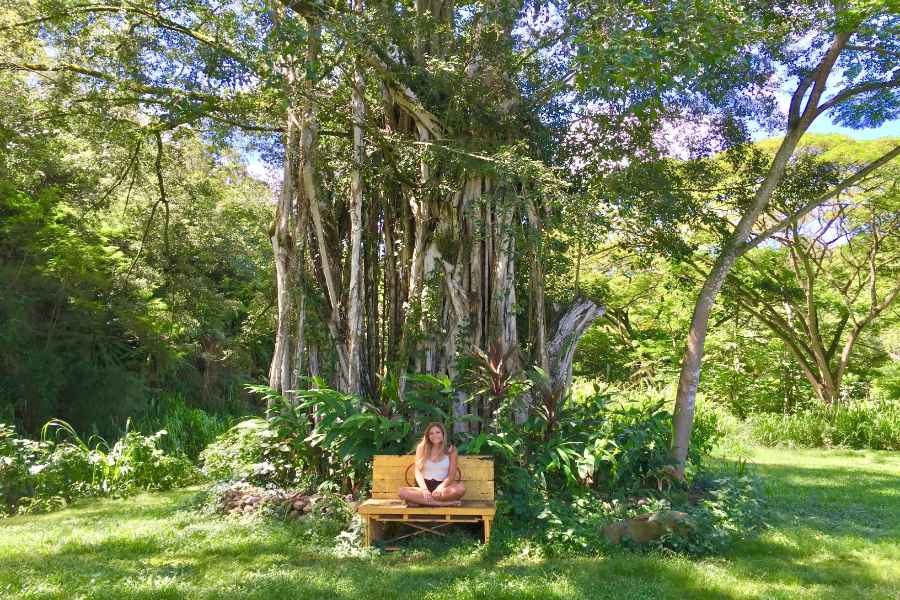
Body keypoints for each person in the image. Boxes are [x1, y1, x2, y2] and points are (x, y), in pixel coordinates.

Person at [398, 422, 466, 507]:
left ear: (443, 434)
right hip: (423, 487)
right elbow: (417, 472)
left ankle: (421, 501)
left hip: (443, 488)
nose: (435, 435)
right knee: (402, 492)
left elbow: (451, 475)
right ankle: (443, 503)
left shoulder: (451, 449)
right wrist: (424, 490)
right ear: (427, 436)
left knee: (461, 489)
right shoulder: (421, 448)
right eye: (431, 433)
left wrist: (441, 487)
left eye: (438, 432)